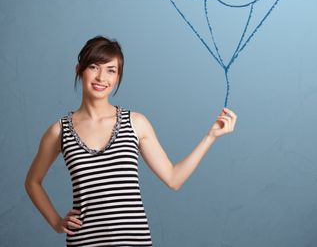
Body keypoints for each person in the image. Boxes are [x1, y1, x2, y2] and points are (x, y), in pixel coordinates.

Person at [24, 35, 238, 247]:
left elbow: (174, 179)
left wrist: (210, 137)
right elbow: (32, 182)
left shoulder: (136, 122)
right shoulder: (59, 131)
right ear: (79, 70)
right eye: (94, 67)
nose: (101, 77)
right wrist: (56, 222)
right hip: (84, 242)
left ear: (118, 77)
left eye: (111, 70)